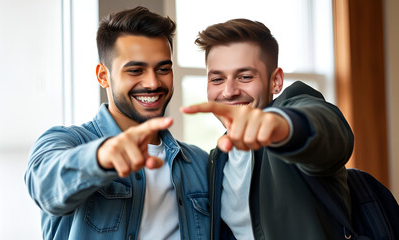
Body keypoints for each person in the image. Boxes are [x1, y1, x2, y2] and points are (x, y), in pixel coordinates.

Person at [24, 6, 210, 240]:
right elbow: (45, 187)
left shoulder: (200, 163)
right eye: (135, 70)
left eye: (163, 69)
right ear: (103, 76)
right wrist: (101, 157)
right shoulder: (66, 141)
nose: (153, 83)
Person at [181, 19, 354, 239]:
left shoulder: (292, 110)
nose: (229, 91)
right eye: (217, 79)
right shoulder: (218, 159)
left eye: (245, 77)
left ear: (276, 81)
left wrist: (283, 127)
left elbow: (330, 132)